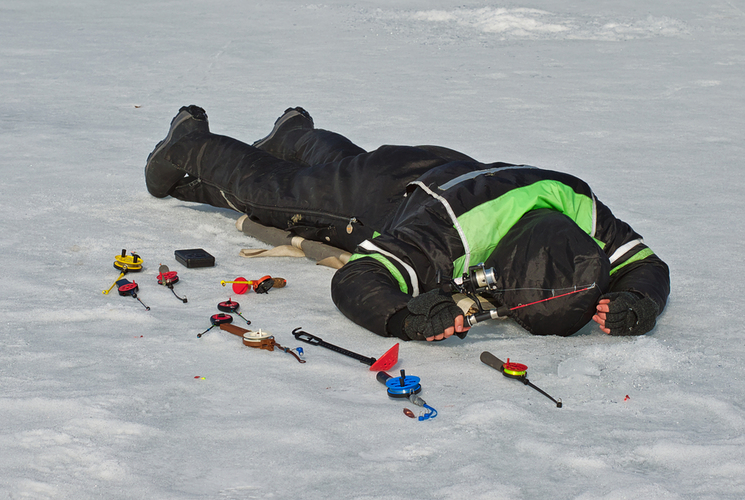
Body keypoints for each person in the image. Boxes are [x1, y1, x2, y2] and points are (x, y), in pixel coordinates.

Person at [145, 105, 670, 342]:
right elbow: (356, 278)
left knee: (340, 163)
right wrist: (404, 316)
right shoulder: (447, 238)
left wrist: (639, 299)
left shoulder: (576, 206)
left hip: (441, 167)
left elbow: (644, 263)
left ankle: (295, 133)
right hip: (380, 197)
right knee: (271, 193)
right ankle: (184, 144)